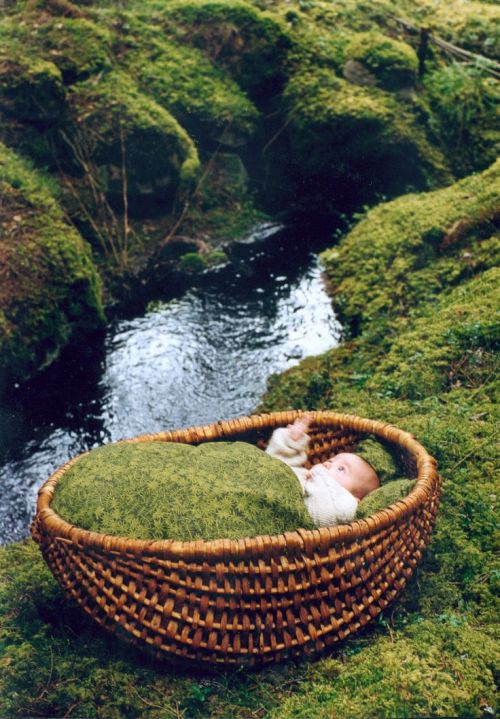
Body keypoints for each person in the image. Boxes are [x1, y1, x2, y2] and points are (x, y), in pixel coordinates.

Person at [266, 414, 380, 527]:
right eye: (331, 461)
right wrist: (290, 440)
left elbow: (332, 510)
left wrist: (319, 474)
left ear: (353, 500)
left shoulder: (341, 508)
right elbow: (275, 463)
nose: (327, 464)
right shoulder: (305, 475)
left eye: (341, 469)